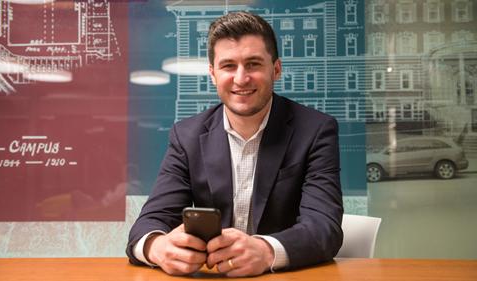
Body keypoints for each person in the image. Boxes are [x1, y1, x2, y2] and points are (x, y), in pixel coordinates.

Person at [126, 11, 343, 277]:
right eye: (228, 66)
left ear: (276, 69)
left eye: (253, 64)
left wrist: (266, 251)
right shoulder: (186, 136)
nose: (241, 78)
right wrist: (157, 247)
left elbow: (324, 227)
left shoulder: (316, 130)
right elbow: (149, 222)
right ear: (213, 74)